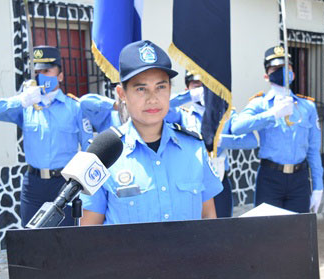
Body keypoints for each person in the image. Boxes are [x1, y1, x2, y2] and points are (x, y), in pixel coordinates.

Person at [0, 45, 111, 279]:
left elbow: (91, 144)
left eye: (48, 71)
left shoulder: (74, 108)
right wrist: (21, 99)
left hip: (65, 185)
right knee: (37, 254)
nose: (43, 76)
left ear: (60, 75)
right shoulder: (26, 106)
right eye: (38, 72)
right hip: (34, 185)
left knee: (66, 253)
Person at [231, 45, 324, 279]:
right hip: (270, 178)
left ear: (293, 71)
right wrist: (272, 113)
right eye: (276, 68)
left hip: (298, 180)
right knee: (266, 243)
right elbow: (237, 126)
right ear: (266, 74)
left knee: (295, 245)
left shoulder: (306, 107)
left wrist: (319, 185)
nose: (283, 72)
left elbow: (313, 150)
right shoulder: (260, 103)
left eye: (287, 67)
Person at [80, 40, 223, 226]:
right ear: (122, 94)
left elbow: (209, 218)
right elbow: (89, 230)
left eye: (160, 87)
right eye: (141, 89)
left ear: (170, 90)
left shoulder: (193, 149)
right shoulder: (104, 156)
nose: (152, 99)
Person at [165, 71, 258, 217]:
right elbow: (163, 104)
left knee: (222, 226)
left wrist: (220, 140)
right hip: (191, 182)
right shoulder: (182, 115)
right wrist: (190, 96)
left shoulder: (226, 114)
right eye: (196, 85)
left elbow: (251, 141)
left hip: (219, 181)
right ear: (187, 88)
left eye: (206, 85)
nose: (203, 90)